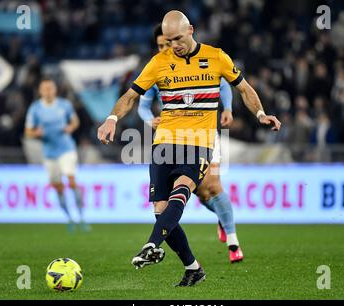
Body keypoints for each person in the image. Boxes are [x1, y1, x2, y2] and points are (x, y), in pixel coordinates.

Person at [97, 11, 281, 286]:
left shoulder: (216, 57)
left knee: (182, 191)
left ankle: (150, 246)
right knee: (161, 211)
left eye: (179, 39)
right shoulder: (159, 62)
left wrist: (260, 114)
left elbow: (244, 89)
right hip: (164, 144)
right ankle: (193, 268)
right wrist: (112, 118)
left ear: (191, 30)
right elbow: (131, 96)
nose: (174, 45)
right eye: (169, 40)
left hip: (199, 142)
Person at [138, 23, 244, 263]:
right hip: (172, 138)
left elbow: (224, 83)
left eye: (170, 42)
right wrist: (149, 120)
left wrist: (226, 108)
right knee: (199, 192)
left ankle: (233, 241)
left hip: (203, 132)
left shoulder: (203, 60)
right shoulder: (157, 67)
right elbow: (142, 105)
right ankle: (219, 217)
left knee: (213, 185)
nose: (169, 47)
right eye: (162, 45)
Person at [25, 78, 90, 233]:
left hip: (66, 149)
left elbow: (75, 121)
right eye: (45, 88)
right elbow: (27, 131)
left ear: (55, 90)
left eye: (50, 88)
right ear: (40, 91)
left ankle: (82, 218)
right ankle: (70, 219)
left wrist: (70, 128)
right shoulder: (35, 109)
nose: (48, 91)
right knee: (58, 187)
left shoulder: (64, 105)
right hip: (49, 153)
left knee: (71, 180)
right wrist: (36, 133)